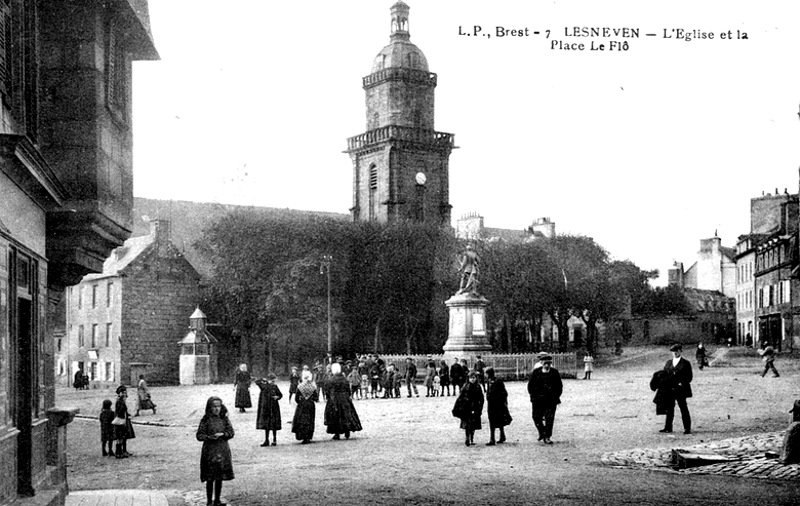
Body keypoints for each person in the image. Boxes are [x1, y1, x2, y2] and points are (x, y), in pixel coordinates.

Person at [196, 396, 234, 506]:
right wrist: (209, 437)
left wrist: (223, 434)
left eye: (218, 406)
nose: (217, 409)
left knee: (219, 476)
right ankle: (209, 501)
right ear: (210, 408)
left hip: (222, 450)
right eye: (214, 407)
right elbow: (199, 435)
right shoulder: (205, 420)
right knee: (210, 477)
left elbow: (231, 432)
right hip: (210, 451)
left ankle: (217, 500)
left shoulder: (224, 419)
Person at [527, 354, 562, 445]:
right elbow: (530, 386)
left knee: (549, 419)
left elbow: (559, 386)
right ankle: (542, 432)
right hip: (538, 401)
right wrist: (533, 396)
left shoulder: (554, 373)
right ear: (541, 363)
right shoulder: (536, 372)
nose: (547, 365)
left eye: (549, 363)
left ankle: (547, 436)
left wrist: (555, 397)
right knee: (536, 417)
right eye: (545, 363)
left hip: (550, 401)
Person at [324, 363, 363, 440]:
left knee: (335, 415)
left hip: (334, 399)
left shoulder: (331, 380)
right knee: (346, 415)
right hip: (345, 399)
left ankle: (337, 433)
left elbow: (327, 390)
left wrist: (328, 397)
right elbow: (348, 390)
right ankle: (347, 431)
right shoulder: (344, 379)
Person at [660, 344, 693, 434]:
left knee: (683, 408)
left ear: (680, 351)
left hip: (680, 389)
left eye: (676, 351)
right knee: (669, 408)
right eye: (673, 352)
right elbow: (664, 374)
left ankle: (687, 428)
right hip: (670, 389)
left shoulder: (686, 363)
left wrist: (681, 383)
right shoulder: (668, 363)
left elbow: (689, 377)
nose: (674, 353)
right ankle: (668, 427)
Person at [452, 371, 484, 446]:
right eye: (471, 378)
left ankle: (472, 438)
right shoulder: (465, 386)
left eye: (474, 378)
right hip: (467, 408)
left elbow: (481, 398)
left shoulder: (478, 387)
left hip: (475, 407)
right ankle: (467, 437)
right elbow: (461, 397)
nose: (472, 379)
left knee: (473, 424)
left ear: (476, 378)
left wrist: (480, 408)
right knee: (467, 424)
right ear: (468, 379)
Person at [485, 367, 511, 445]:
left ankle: (493, 439)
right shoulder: (490, 381)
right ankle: (501, 436)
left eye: (486, 373)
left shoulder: (496, 381)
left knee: (494, 420)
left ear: (488, 374)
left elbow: (504, 393)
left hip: (496, 404)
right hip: (493, 404)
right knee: (496, 420)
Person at [255, 373, 282, 446]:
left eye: (274, 381)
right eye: (272, 381)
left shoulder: (275, 387)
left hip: (274, 407)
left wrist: (277, 397)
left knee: (274, 424)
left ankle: (274, 440)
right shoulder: (264, 386)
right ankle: (266, 440)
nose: (273, 382)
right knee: (266, 424)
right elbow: (257, 381)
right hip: (266, 407)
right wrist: (264, 380)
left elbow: (280, 395)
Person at [291, 371, 318, 444]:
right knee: (310, 420)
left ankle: (302, 436)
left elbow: (296, 398)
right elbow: (316, 398)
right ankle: (308, 437)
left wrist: (300, 401)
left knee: (301, 420)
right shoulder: (313, 386)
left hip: (302, 405)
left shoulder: (300, 386)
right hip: (310, 405)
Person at [113, 385, 135, 458]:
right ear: (119, 393)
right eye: (122, 393)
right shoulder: (119, 401)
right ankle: (120, 452)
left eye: (125, 392)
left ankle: (123, 451)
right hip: (121, 420)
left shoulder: (122, 400)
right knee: (121, 436)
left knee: (124, 436)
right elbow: (120, 411)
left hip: (124, 419)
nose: (124, 394)